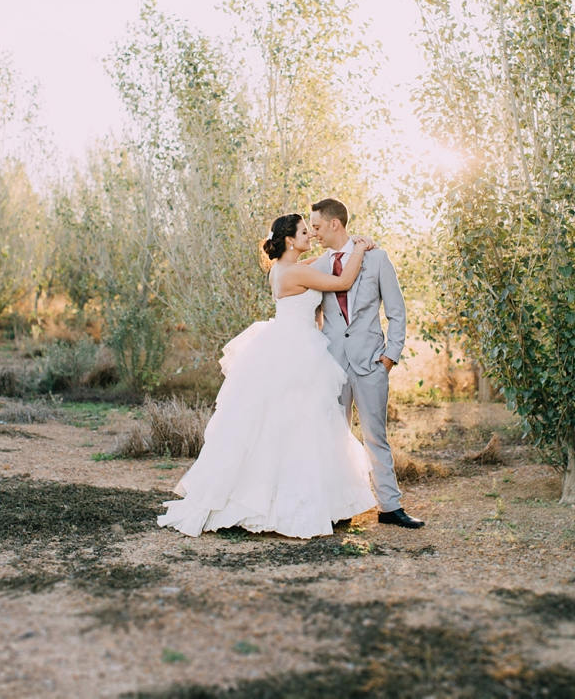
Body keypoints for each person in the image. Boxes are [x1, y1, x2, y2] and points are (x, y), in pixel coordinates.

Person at [157, 213, 376, 539]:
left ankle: (311, 500)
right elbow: (342, 283)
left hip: (286, 344)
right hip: (296, 350)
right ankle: (291, 504)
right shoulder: (296, 273)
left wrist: (335, 251)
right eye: (304, 232)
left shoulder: (282, 269)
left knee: (284, 424)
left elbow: (320, 261)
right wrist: (359, 247)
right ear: (290, 240)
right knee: (299, 424)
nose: (310, 236)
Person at [309, 197, 425, 529]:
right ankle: (337, 507)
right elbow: (312, 315)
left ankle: (390, 507)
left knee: (376, 435)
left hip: (372, 361)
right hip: (332, 365)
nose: (314, 232)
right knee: (334, 435)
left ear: (335, 223)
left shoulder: (376, 258)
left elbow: (397, 311)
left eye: (317, 226)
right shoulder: (317, 267)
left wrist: (390, 355)